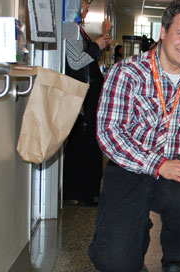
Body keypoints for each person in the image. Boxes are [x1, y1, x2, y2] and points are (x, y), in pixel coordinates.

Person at [87, 1, 180, 271]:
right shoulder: (127, 72)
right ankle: (134, 228)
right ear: (163, 32)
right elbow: (109, 132)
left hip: (179, 167)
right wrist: (157, 164)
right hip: (129, 168)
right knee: (115, 263)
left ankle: (174, 254)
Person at [63, 0, 111, 206]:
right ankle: (81, 192)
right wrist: (97, 45)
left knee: (88, 143)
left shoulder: (77, 29)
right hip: (82, 98)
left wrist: (99, 42)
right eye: (84, 3)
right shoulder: (69, 28)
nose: (87, 7)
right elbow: (76, 61)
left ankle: (88, 191)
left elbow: (87, 58)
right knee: (82, 144)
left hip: (89, 97)